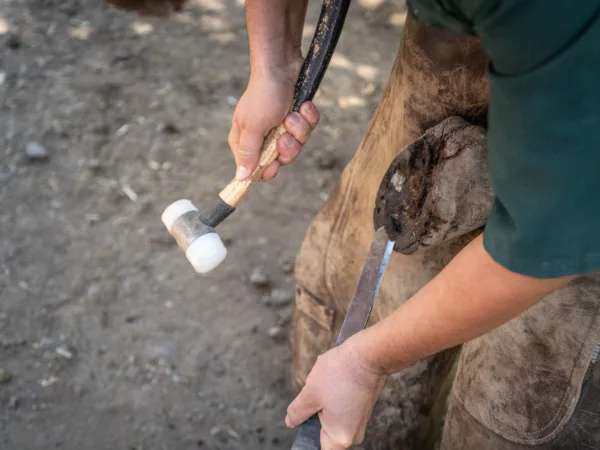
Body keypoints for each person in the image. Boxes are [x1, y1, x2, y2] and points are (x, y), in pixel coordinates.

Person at [105, 0, 600, 448]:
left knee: (519, 391)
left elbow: (544, 244)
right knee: (360, 280)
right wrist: (273, 66)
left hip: (577, 93)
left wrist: (370, 361)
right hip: (476, 34)